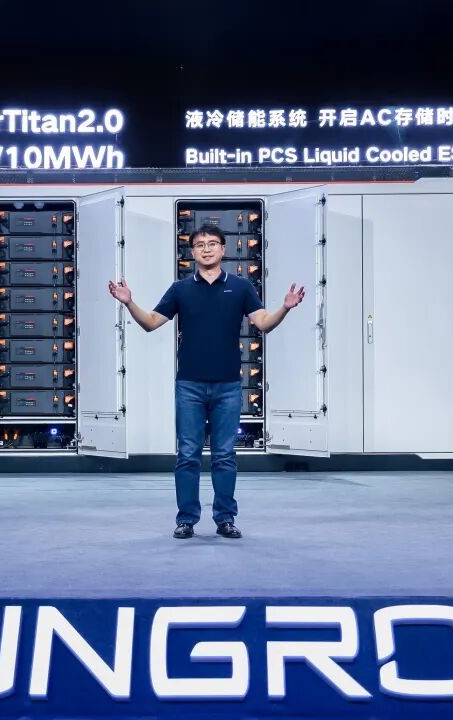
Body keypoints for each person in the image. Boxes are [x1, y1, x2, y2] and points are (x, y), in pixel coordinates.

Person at [107, 224, 305, 539]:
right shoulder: (180, 289)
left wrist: (285, 307)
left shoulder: (241, 287)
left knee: (225, 455)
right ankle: (186, 519)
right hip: (190, 385)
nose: (207, 248)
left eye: (213, 243)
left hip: (228, 385)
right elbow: (151, 323)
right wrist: (129, 302)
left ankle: (225, 519)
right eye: (200, 244)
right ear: (193, 252)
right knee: (188, 454)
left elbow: (264, 323)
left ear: (223, 249)